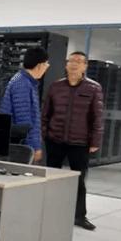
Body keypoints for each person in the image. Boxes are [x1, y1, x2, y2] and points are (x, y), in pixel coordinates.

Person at [41, 51, 104, 231]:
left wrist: (95, 141)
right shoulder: (56, 86)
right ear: (66, 65)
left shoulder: (93, 88)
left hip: (80, 142)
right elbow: (45, 114)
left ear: (85, 66)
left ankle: (79, 216)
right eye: (71, 60)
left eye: (78, 61)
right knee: (51, 178)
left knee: (79, 181)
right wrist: (44, 134)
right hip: (55, 139)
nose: (74, 64)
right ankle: (49, 212)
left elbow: (97, 117)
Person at [0, 47, 49, 163]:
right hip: (19, 144)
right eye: (46, 64)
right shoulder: (22, 84)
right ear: (40, 65)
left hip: (18, 141)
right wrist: (34, 147)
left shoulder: (26, 82)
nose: (46, 68)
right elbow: (24, 120)